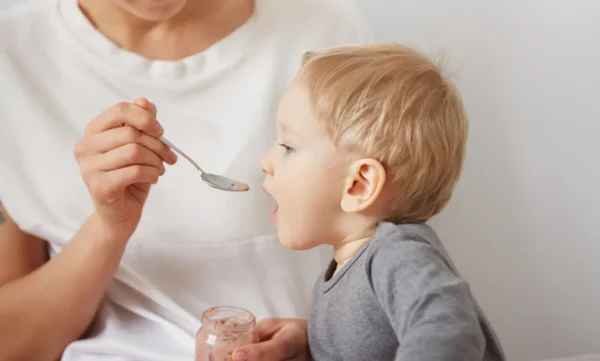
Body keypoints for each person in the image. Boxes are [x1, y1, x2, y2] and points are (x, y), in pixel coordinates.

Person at [0, 0, 372, 360]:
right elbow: (13, 346)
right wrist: (108, 228)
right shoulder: (14, 53)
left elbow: (392, 271)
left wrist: (320, 338)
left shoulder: (323, 27)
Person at [258, 43, 507, 360]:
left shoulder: (398, 254)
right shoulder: (350, 267)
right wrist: (311, 345)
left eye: (287, 147)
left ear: (359, 185)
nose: (265, 161)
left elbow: (450, 332)